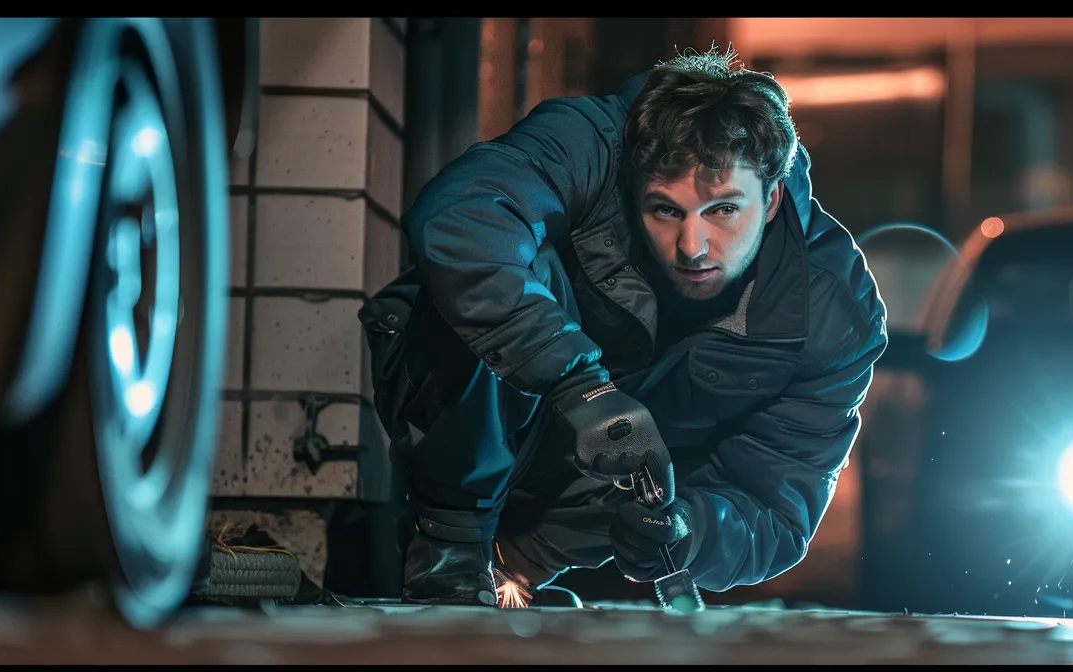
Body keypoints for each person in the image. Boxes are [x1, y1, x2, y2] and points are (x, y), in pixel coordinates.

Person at [357, 46, 887, 606]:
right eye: (666, 210)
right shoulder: (591, 143)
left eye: (724, 211)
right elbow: (459, 215)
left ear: (773, 197)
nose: (692, 247)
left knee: (666, 444)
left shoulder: (832, 315)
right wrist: (579, 385)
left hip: (567, 515)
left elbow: (778, 508)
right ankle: (450, 544)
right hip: (457, 421)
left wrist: (688, 530)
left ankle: (511, 569)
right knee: (502, 266)